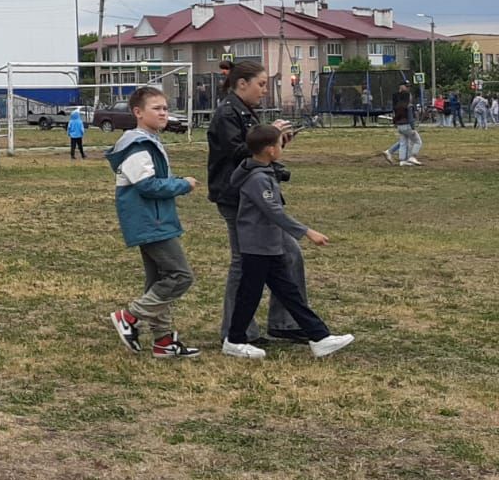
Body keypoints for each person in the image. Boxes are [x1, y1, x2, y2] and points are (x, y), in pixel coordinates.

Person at [222, 125, 355, 360]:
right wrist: (306, 232)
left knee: (287, 292)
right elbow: (274, 211)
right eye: (280, 144)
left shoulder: (259, 172)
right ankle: (234, 340)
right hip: (258, 247)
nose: (282, 148)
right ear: (271, 151)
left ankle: (320, 337)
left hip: (267, 245)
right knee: (250, 295)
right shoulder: (258, 179)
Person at [207, 60, 308, 345]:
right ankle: (237, 331)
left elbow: (256, 152)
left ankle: (284, 322)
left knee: (288, 254)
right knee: (245, 263)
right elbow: (239, 152)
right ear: (242, 84)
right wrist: (270, 133)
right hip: (237, 197)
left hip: (252, 196)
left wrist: (277, 142)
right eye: (261, 84)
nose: (264, 90)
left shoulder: (243, 111)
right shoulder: (228, 113)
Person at [106, 87, 201, 360]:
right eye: (156, 108)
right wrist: (182, 184)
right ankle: (129, 317)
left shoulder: (149, 141)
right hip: (151, 221)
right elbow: (146, 185)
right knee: (180, 276)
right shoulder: (137, 145)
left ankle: (163, 341)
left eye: (165, 108)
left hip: (156, 219)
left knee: (158, 281)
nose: (163, 113)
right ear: (138, 112)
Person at [386, 83, 423, 166]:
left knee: (403, 142)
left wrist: (395, 123)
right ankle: (412, 157)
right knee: (418, 141)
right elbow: (410, 117)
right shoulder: (408, 106)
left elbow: (395, 115)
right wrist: (413, 128)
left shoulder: (398, 105)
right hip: (407, 125)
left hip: (400, 125)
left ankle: (402, 161)